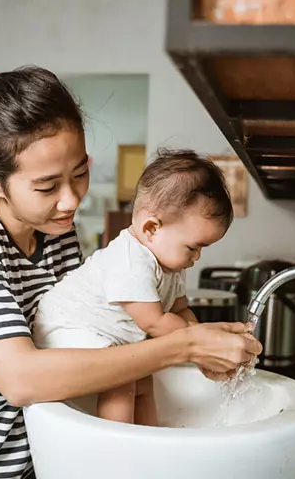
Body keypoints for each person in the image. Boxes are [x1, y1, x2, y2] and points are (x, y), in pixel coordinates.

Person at [0, 66, 262, 479]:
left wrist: (196, 348)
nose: (71, 200)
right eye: (46, 186)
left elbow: (83, 337)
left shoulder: (55, 233)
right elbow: (20, 379)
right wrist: (184, 345)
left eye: (80, 173)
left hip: (21, 463)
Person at [33, 150, 234, 426]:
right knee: (121, 381)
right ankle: (119, 448)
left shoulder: (171, 263)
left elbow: (181, 310)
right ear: (152, 228)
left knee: (144, 379)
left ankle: (150, 437)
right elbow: (154, 322)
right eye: (193, 246)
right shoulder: (130, 260)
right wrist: (200, 343)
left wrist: (202, 346)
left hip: (108, 336)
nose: (196, 257)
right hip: (64, 326)